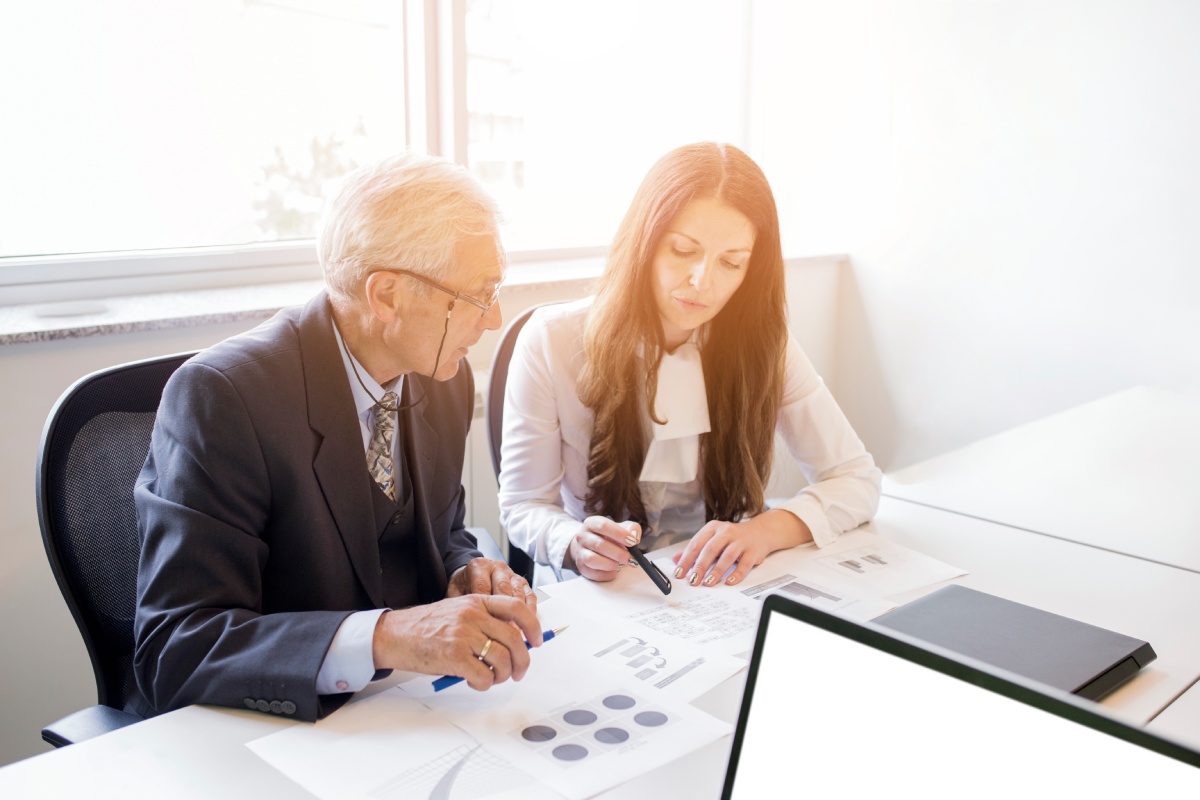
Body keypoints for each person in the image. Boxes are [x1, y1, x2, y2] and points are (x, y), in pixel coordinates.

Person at [129, 153, 542, 723]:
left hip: (408, 711)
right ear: (387, 296)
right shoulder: (223, 398)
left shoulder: (442, 375)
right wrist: (387, 636)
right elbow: (178, 647)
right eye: (475, 295)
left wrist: (463, 570)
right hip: (282, 731)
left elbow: (443, 532)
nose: (493, 318)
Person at [498, 142, 881, 588]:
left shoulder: (763, 346)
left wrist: (764, 531)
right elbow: (524, 505)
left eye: (731, 262)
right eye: (682, 251)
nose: (703, 282)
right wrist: (573, 541)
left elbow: (856, 479)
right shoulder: (552, 339)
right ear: (644, 241)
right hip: (602, 587)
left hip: (720, 585)